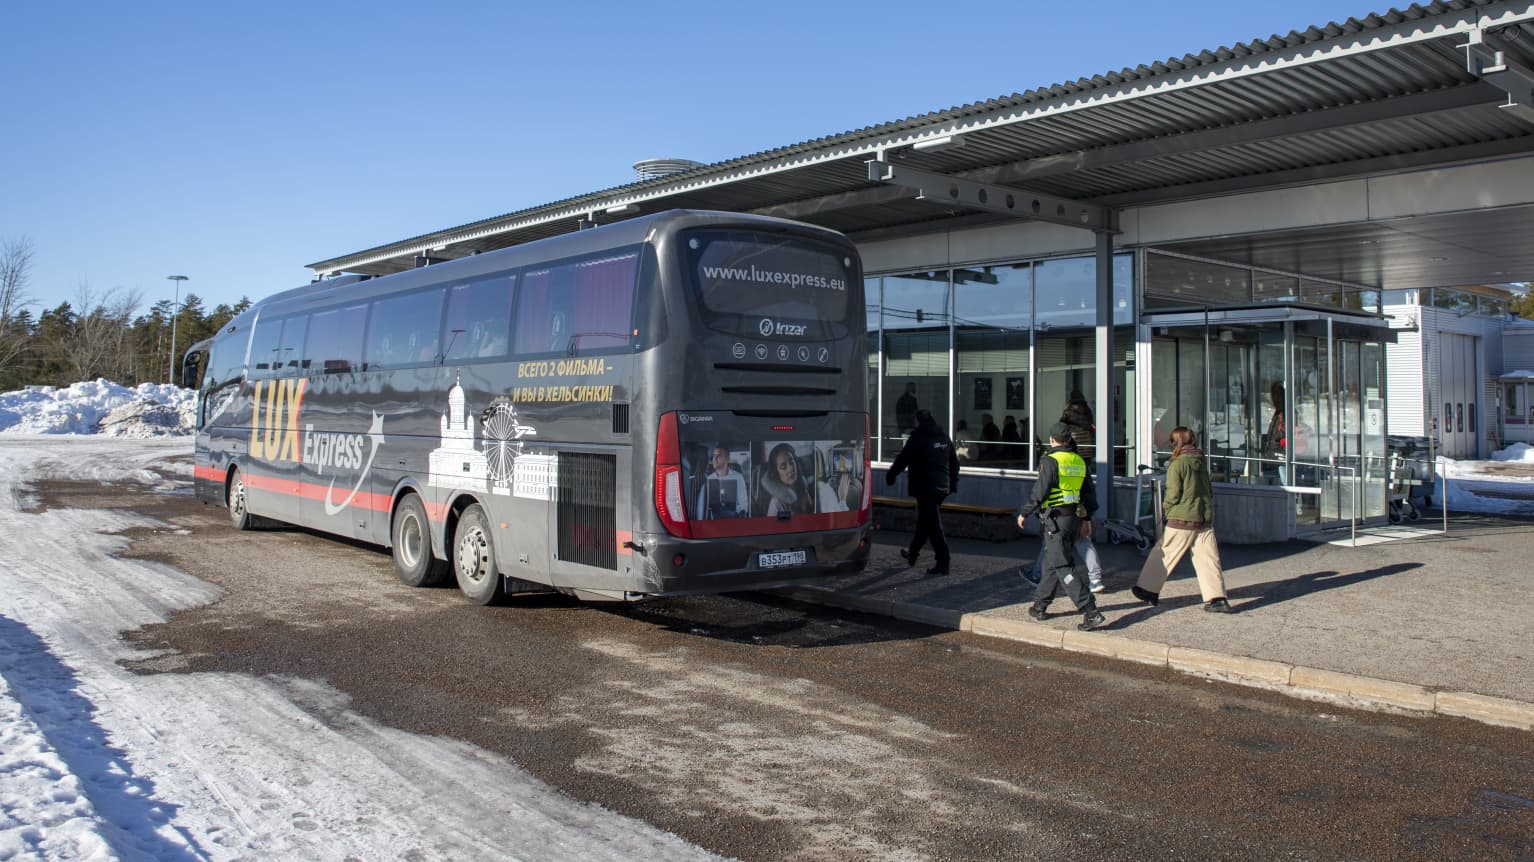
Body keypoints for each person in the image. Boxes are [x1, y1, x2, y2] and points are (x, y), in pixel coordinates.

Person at [1130, 426, 1232, 613]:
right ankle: (1217, 598)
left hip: (1183, 517)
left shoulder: (1177, 464)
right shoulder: (1200, 461)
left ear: (1175, 443)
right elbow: (1208, 490)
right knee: (1208, 558)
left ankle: (1147, 589)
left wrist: (1167, 509)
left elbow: (1173, 493)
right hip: (1203, 516)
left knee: (1164, 553)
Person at [1017, 422, 1106, 630]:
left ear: (1052, 440)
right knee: (1051, 562)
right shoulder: (1079, 460)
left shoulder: (1050, 460)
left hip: (1055, 519)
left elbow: (1041, 490)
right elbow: (1089, 494)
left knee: (1063, 565)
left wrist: (1025, 512)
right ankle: (1040, 605)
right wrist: (1087, 518)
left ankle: (1090, 611)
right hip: (1073, 517)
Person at [886, 409, 960, 575]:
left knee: (933, 526)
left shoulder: (918, 437)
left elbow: (903, 458)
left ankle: (943, 562)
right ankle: (912, 554)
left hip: (926, 487)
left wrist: (891, 475)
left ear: (919, 421)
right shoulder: (943, 437)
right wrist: (952, 484)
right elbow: (954, 462)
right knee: (925, 523)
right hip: (942, 487)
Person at [763, 443, 849, 516]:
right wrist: (842, 500)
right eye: (783, 467)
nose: (790, 469)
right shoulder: (776, 504)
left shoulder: (804, 488)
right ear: (776, 473)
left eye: (791, 462)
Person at [694, 444, 749, 519]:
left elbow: (744, 504)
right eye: (714, 456)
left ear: (727, 458)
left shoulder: (738, 477)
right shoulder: (708, 479)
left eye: (718, 456)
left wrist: (735, 514)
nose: (714, 459)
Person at [1262, 382, 1286, 482]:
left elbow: (1284, 431)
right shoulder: (1279, 412)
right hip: (1276, 453)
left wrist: (1276, 440)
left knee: (1285, 480)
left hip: (1280, 453)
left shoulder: (1284, 413)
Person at [1060, 397, 1095, 463]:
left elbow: (1062, 424)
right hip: (1085, 442)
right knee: (1086, 464)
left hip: (1075, 441)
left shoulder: (1068, 410)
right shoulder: (1086, 410)